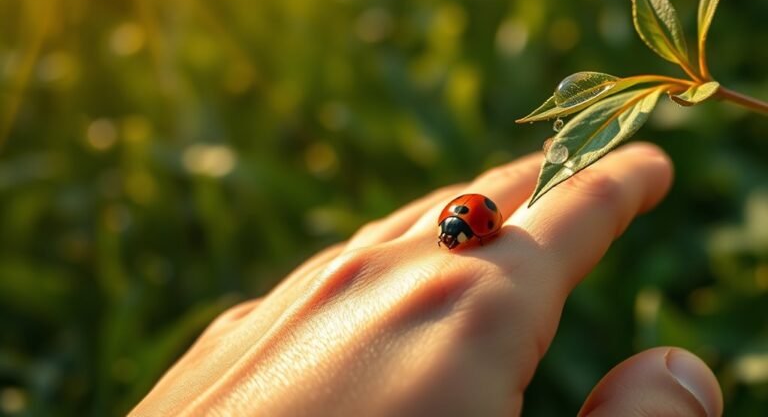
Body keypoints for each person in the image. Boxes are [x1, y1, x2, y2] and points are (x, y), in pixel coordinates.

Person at [130, 143, 723, 416]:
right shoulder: (467, 226)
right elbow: (470, 223)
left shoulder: (471, 226)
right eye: (460, 235)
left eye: (458, 236)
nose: (457, 240)